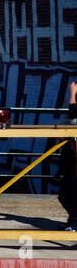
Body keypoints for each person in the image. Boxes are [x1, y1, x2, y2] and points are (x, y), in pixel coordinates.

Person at [58, 79, 77, 232]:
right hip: (71, 155)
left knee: (73, 191)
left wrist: (72, 95)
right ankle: (72, 220)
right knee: (65, 194)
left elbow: (73, 112)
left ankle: (75, 223)